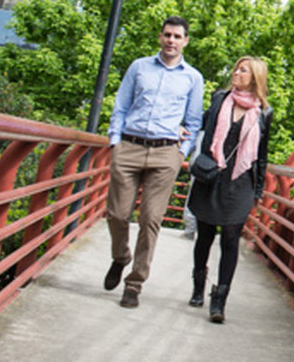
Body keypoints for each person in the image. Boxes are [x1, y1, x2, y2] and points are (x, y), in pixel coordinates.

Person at [104, 16, 204, 308]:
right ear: (160, 37)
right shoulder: (139, 67)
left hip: (165, 154)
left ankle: (134, 283)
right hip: (130, 146)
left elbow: (194, 120)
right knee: (118, 214)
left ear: (185, 41)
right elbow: (121, 106)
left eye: (177, 36)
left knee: (150, 219)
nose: (171, 40)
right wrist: (115, 142)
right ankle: (121, 257)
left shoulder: (193, 77)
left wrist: (180, 152)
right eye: (167, 35)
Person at [187, 56, 272, 323]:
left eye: (242, 70)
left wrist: (258, 191)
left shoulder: (264, 112)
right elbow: (197, 123)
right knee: (205, 236)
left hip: (241, 182)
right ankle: (198, 285)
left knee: (231, 239)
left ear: (254, 77)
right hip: (212, 175)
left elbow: (262, 154)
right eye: (236, 68)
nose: (236, 72)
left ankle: (219, 300)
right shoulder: (219, 99)